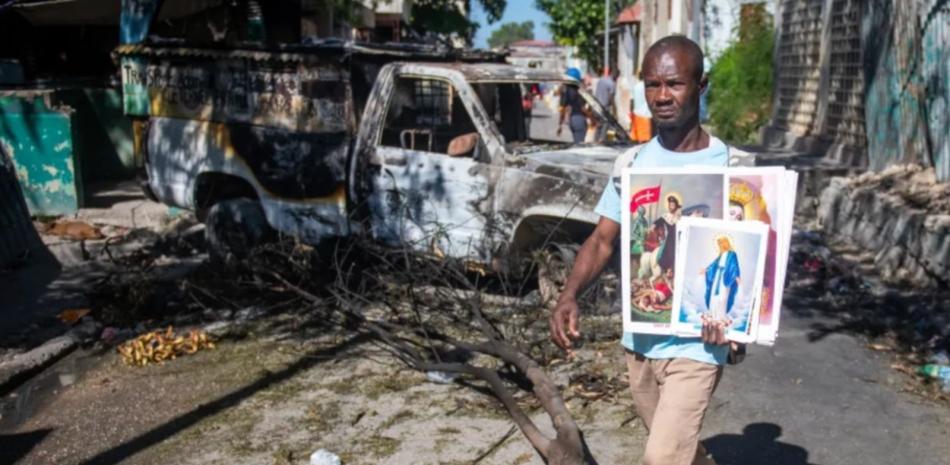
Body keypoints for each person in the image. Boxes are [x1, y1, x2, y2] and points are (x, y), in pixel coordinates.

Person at [549, 35, 753, 465]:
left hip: (699, 343)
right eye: (652, 84)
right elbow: (602, 240)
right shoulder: (632, 165)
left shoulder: (734, 168)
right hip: (641, 340)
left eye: (674, 84)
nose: (661, 96)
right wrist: (569, 294)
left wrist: (741, 325)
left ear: (701, 86)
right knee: (678, 449)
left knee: (661, 457)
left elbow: (752, 260)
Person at [703, 235, 740, 321]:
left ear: (725, 243)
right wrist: (706, 270)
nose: (720, 246)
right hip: (717, 277)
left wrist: (737, 275)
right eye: (719, 244)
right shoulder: (721, 255)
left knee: (723, 296)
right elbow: (713, 265)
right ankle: (712, 313)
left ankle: (720, 316)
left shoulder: (732, 254)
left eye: (721, 243)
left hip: (726, 277)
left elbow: (735, 265)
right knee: (713, 294)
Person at [558, 68, 589, 143]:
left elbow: (562, 109)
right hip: (579, 119)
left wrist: (560, 125)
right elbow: (583, 108)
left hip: (571, 120)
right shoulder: (580, 91)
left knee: (577, 142)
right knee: (580, 144)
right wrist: (593, 118)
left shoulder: (565, 91)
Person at [630, 71, 653, 143]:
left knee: (637, 136)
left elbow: (632, 100)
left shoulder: (635, 86)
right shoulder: (648, 87)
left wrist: (631, 110)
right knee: (645, 137)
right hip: (646, 113)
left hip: (636, 112)